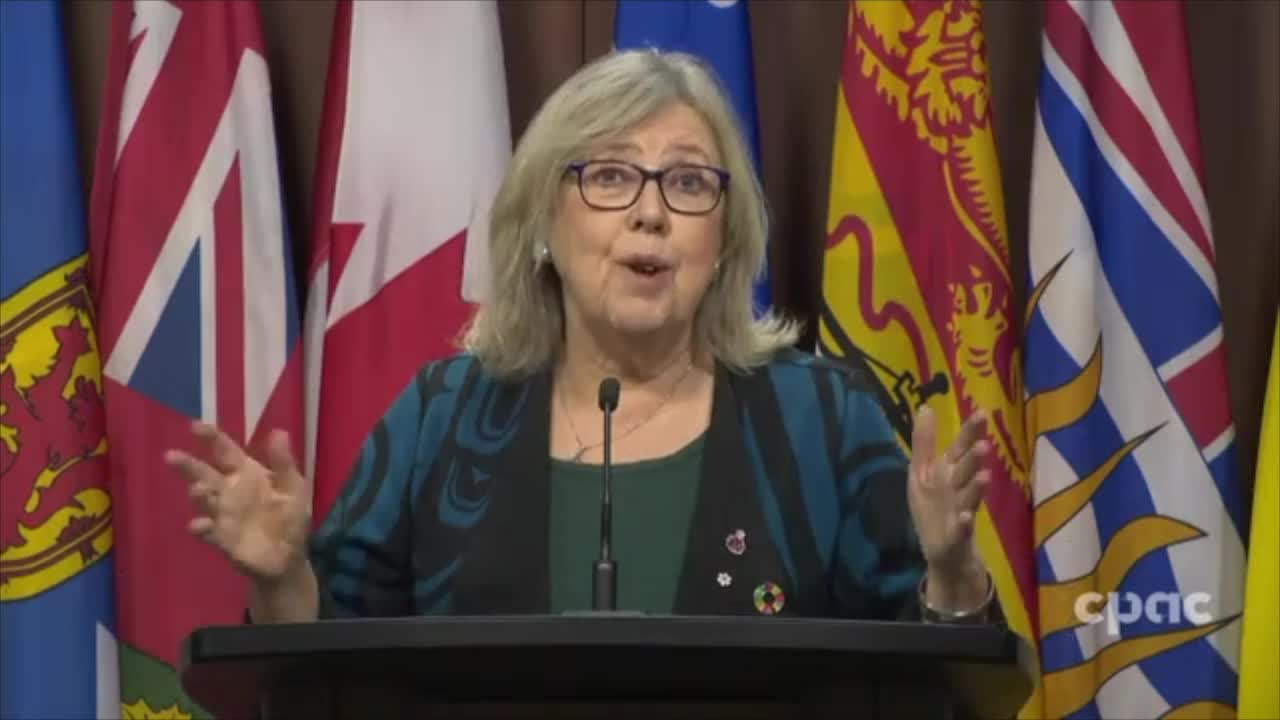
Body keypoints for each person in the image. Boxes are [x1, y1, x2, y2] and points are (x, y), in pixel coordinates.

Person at [166, 49, 998, 625]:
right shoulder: (443, 418)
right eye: (609, 176)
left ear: (723, 241)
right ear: (542, 225)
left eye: (687, 182)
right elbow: (327, 669)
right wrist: (283, 581)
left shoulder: (822, 420)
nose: (650, 211)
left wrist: (954, 573)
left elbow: (938, 682)